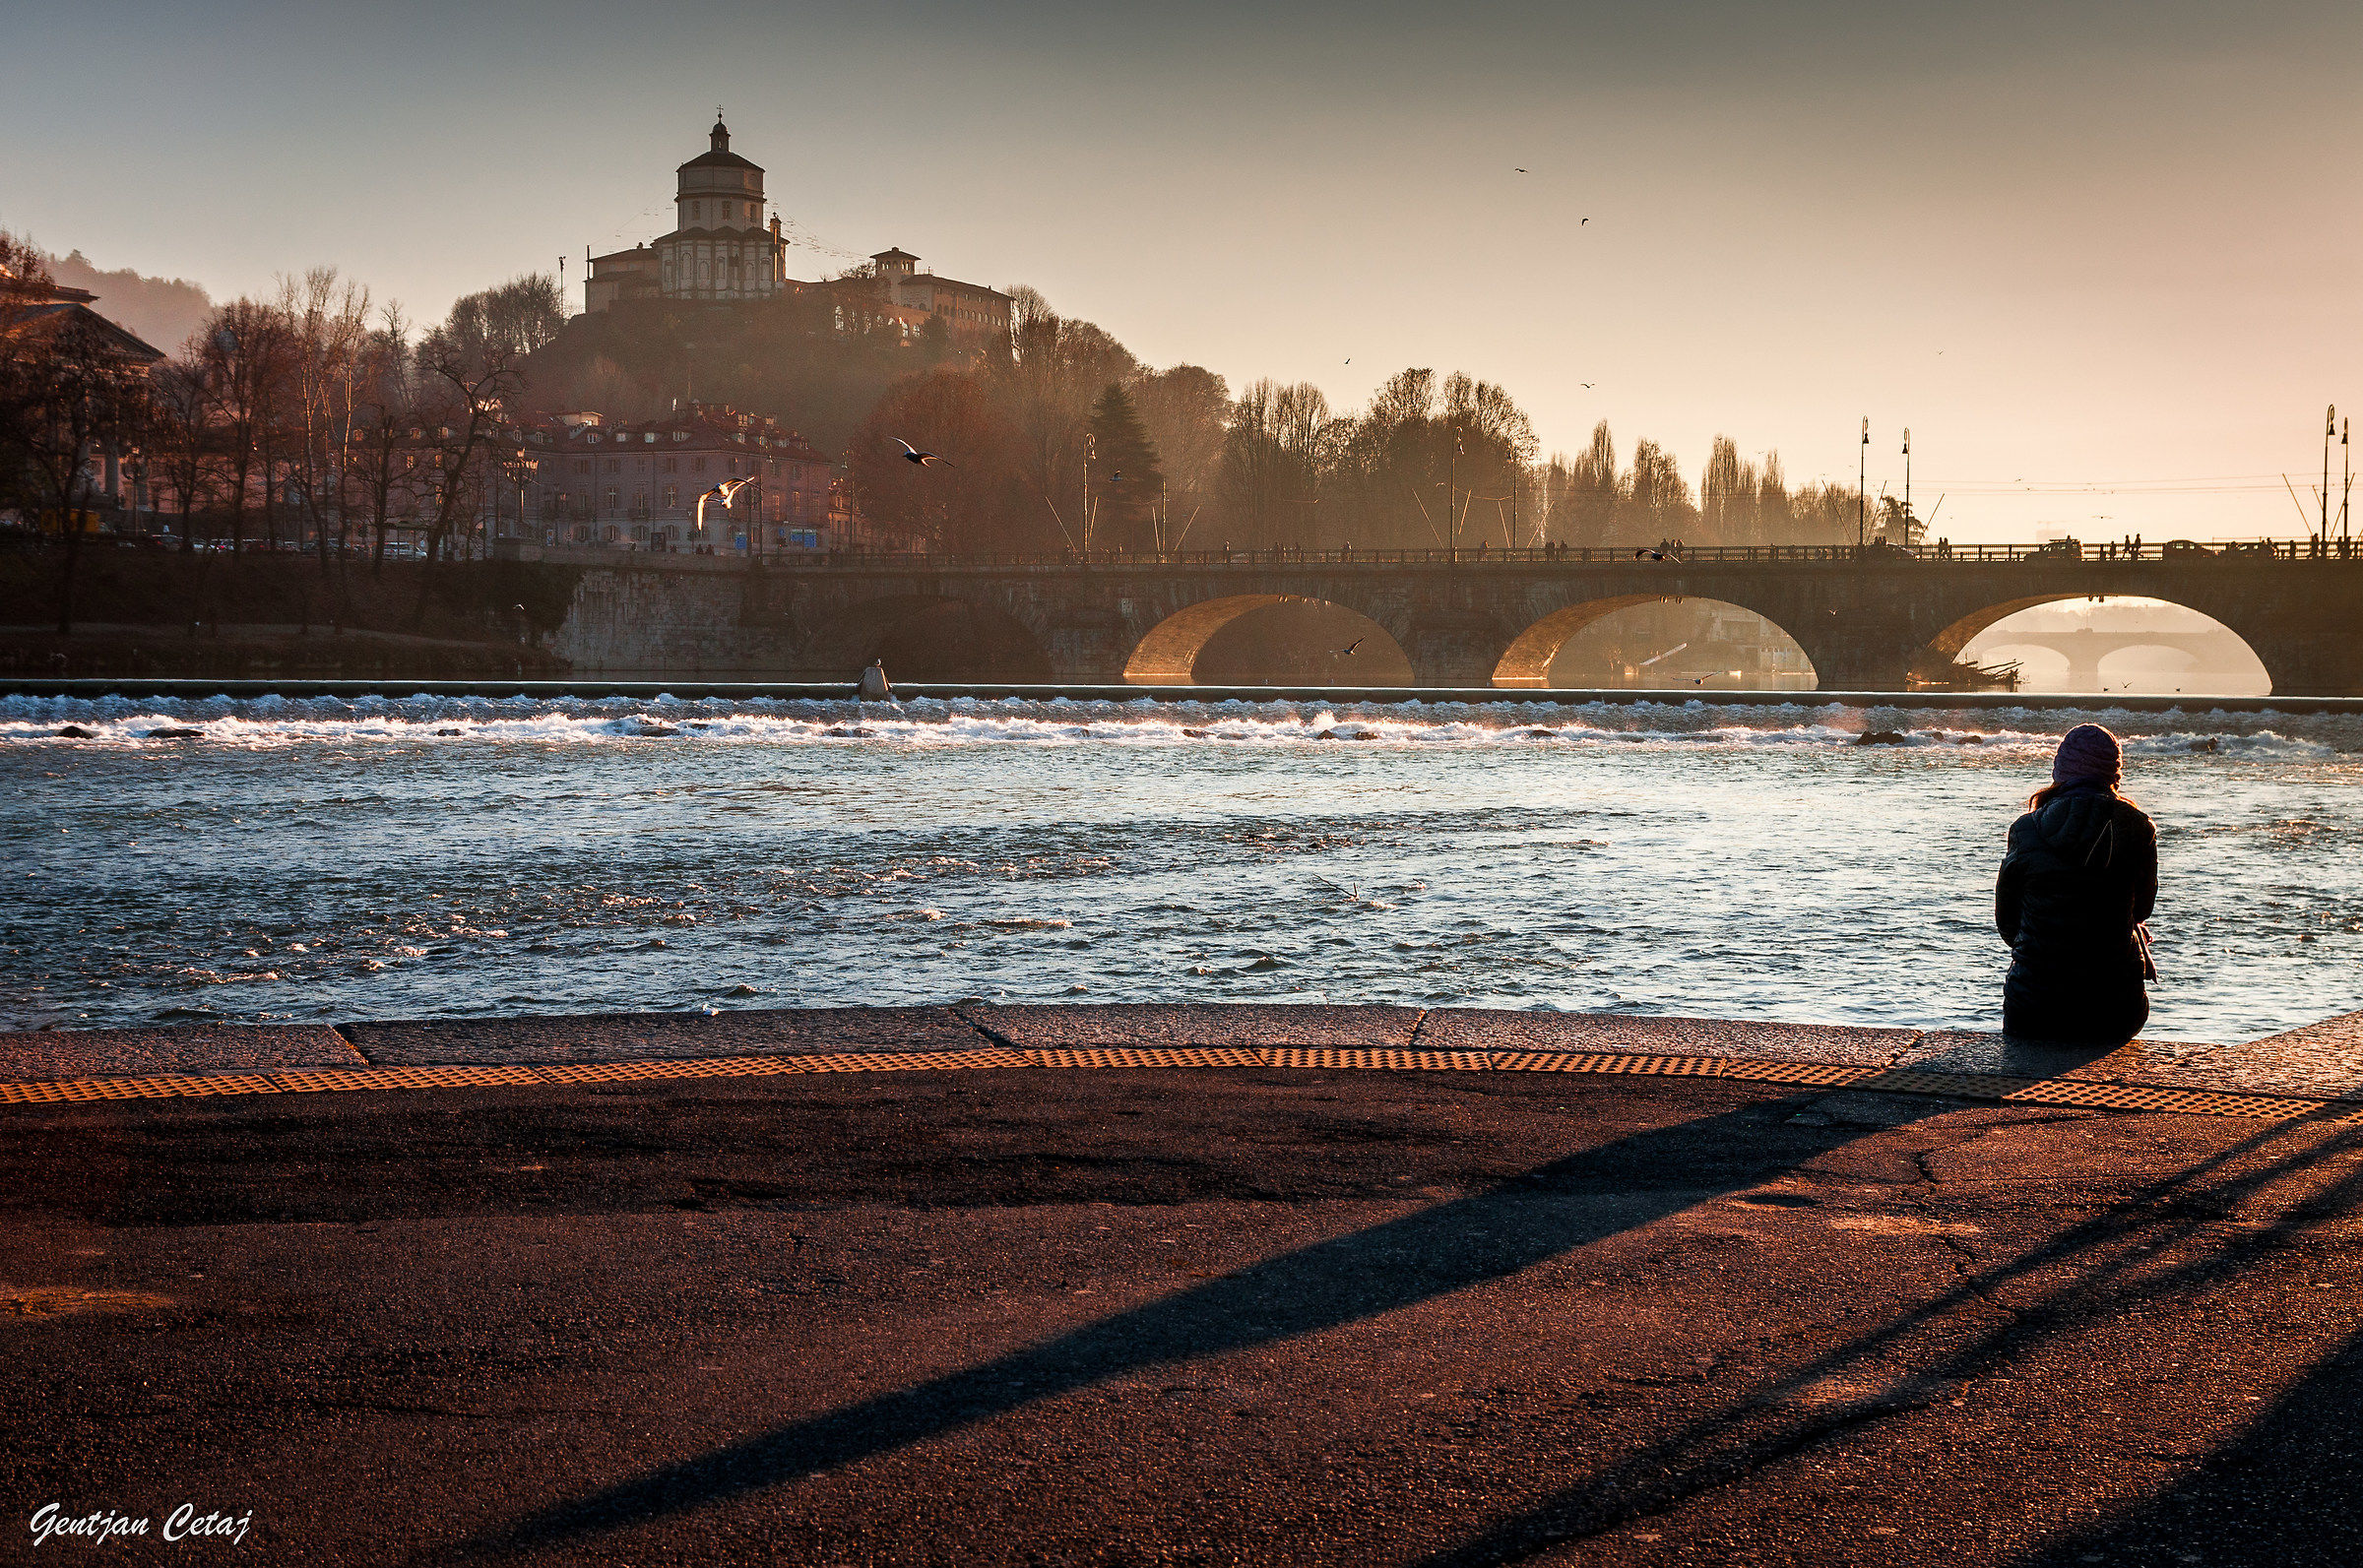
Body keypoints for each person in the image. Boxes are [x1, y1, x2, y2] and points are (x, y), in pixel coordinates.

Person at [1995, 724, 2157, 1045]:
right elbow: (2142, 910)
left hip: (2033, 1007)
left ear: (2061, 771)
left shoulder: (2026, 830)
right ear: (2113, 773)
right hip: (2115, 1009)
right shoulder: (2139, 827)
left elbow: (2007, 925)